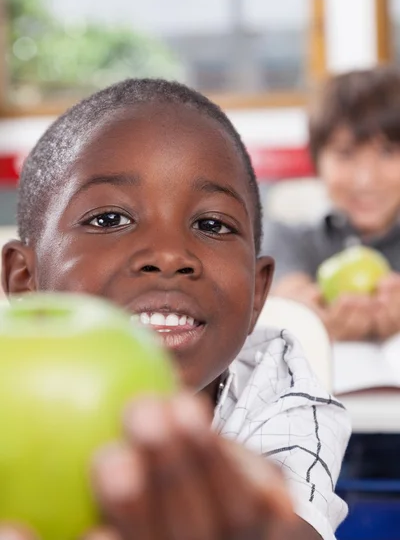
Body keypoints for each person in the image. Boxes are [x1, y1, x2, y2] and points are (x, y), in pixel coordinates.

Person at [0, 78, 350, 540]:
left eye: (211, 224)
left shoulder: (278, 388)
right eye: (109, 219)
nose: (168, 255)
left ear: (258, 295)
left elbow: (295, 527)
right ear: (25, 280)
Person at [263, 66, 400, 342]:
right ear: (317, 161)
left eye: (387, 152)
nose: (365, 180)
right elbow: (289, 292)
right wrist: (302, 313)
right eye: (345, 154)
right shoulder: (289, 238)